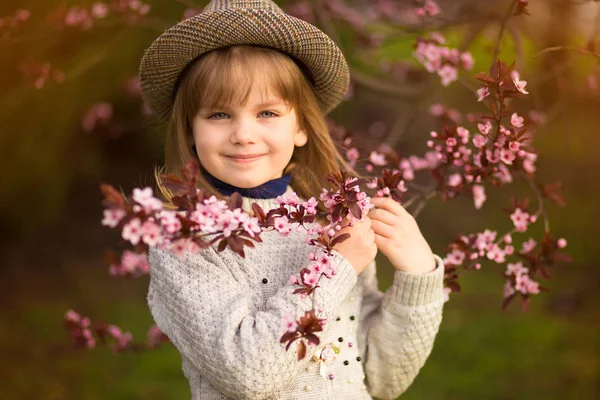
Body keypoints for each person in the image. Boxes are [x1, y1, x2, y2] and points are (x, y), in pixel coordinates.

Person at [139, 1, 446, 399]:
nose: (244, 134)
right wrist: (336, 266)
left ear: (300, 126)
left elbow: (382, 379)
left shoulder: (335, 221)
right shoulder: (184, 241)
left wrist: (418, 277)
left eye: (267, 113)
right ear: (189, 130)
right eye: (218, 115)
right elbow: (249, 374)